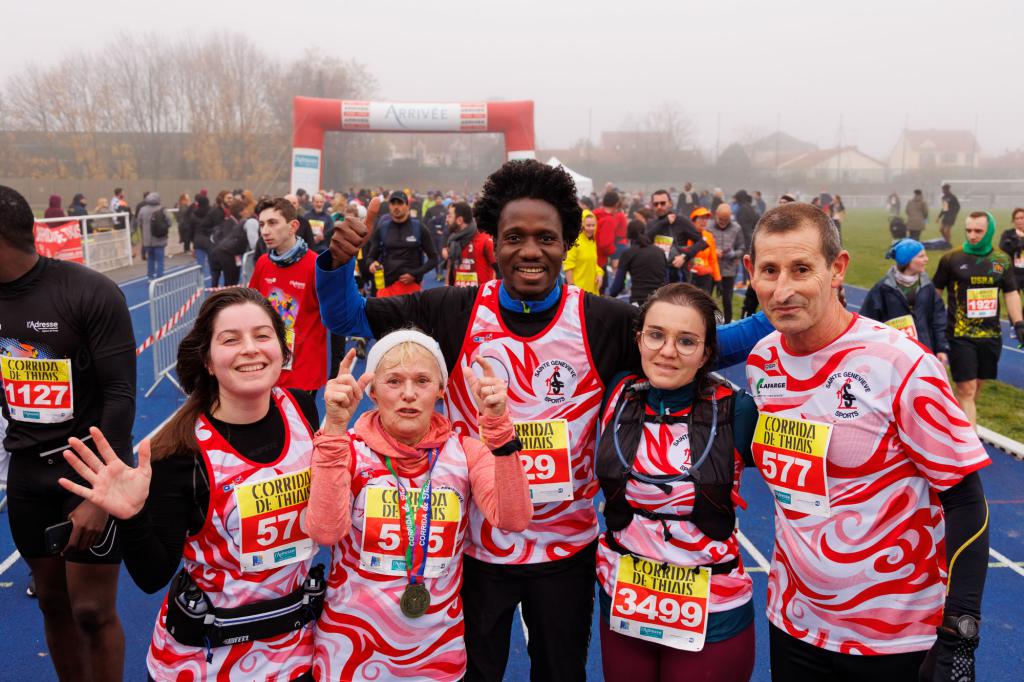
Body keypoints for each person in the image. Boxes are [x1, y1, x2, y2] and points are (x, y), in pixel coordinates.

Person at [314, 159, 774, 681]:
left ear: (567, 243)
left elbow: (711, 345)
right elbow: (347, 317)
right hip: (477, 549)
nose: (530, 251)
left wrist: (782, 300)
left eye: (546, 238)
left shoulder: (603, 320)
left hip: (567, 552)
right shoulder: (455, 310)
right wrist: (334, 263)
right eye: (514, 237)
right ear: (493, 241)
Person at [744, 202, 992, 681]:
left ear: (838, 269)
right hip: (793, 623)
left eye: (801, 269)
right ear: (750, 272)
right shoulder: (762, 362)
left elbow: (966, 501)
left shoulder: (902, 365)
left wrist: (961, 636)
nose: (783, 289)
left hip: (894, 642)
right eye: (769, 271)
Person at [58, 287, 323, 681]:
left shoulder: (301, 408)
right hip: (204, 662)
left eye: (262, 335)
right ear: (209, 361)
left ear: (282, 350)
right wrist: (131, 516)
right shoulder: (178, 452)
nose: (250, 349)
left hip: (296, 653)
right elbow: (151, 577)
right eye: (231, 339)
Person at [306, 332, 532, 681]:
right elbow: (324, 532)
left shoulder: (465, 452)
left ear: (441, 389)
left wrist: (499, 429)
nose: (408, 394)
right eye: (394, 381)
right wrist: (334, 427)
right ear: (373, 391)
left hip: (437, 654)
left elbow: (513, 517)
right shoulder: (345, 449)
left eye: (422, 381)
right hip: (348, 653)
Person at [0, 184, 135, 681]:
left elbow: (120, 396)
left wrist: (102, 493)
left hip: (88, 474)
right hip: (27, 474)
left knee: (92, 613)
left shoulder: (88, 292)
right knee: (53, 604)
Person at [595, 283, 758, 682]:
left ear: (706, 353)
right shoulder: (616, 391)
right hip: (623, 598)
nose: (667, 351)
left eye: (687, 341)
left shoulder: (737, 409)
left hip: (711, 610)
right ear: (639, 339)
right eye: (656, 335)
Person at [933, 211, 1024, 425]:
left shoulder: (1001, 259)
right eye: (968, 230)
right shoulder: (951, 258)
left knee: (975, 389)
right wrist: (932, 324)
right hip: (959, 334)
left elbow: (1011, 293)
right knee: (967, 389)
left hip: (990, 335)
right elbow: (935, 293)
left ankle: (953, 422)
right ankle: (968, 447)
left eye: (978, 231)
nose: (972, 235)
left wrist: (1019, 323)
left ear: (989, 231)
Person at [248, 197, 328, 395]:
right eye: (262, 224)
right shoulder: (263, 263)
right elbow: (251, 308)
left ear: (293, 226)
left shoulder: (316, 265)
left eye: (273, 223)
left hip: (303, 373)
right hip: (268, 367)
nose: (265, 230)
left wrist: (335, 370)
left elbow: (334, 320)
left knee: (301, 426)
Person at [860, 238, 949, 360]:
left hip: (924, 353)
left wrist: (941, 348)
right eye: (921, 256)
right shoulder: (883, 289)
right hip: (894, 355)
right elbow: (868, 322)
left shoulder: (927, 286)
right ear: (907, 261)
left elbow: (938, 318)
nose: (926, 259)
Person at [367, 190, 439, 298]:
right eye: (393, 203)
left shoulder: (419, 228)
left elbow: (434, 259)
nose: (396, 207)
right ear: (389, 206)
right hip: (387, 288)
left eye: (400, 203)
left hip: (411, 288)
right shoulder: (382, 228)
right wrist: (372, 264)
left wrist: (415, 273)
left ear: (407, 206)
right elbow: (370, 258)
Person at [646, 189, 706, 283]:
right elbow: (644, 240)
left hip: (678, 275)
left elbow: (701, 242)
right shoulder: (652, 224)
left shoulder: (681, 221)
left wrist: (684, 256)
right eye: (656, 204)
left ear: (670, 203)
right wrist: (664, 223)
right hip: (657, 275)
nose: (659, 207)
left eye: (662, 203)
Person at [607, 219, 667, 305]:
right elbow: (665, 278)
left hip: (639, 301)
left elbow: (618, 285)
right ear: (644, 231)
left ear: (628, 234)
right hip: (660, 300)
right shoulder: (659, 251)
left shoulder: (628, 253)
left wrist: (608, 297)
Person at [443, 201, 496, 288]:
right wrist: (446, 287)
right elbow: (450, 267)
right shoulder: (453, 240)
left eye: (449, 216)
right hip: (458, 297)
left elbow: (497, 270)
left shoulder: (485, 240)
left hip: (480, 297)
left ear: (459, 220)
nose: (447, 219)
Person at [709, 203, 745, 323]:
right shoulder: (709, 227)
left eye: (726, 219)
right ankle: (708, 322)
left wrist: (734, 254)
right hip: (711, 269)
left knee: (727, 300)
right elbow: (701, 246)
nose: (723, 222)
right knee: (706, 299)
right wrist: (713, 251)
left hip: (729, 270)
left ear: (731, 217)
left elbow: (742, 248)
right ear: (716, 215)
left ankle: (728, 324)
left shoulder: (736, 228)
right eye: (721, 219)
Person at [564, 209, 602, 294]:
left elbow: (593, 263)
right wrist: (572, 289)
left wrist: (599, 274)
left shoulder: (591, 242)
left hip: (592, 291)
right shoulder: (575, 242)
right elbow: (568, 267)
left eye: (593, 225)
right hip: (579, 292)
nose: (591, 228)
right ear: (581, 225)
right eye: (588, 225)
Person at [210, 202, 248, 287]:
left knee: (227, 280)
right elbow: (226, 240)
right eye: (245, 210)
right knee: (229, 281)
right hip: (223, 253)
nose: (247, 211)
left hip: (225, 253)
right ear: (240, 212)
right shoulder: (230, 223)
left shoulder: (235, 222)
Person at [684, 207, 720, 295]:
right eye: (701, 218)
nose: (704, 221)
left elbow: (713, 259)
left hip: (705, 277)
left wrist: (718, 279)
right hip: (690, 276)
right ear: (693, 220)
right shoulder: (685, 236)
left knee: (704, 305)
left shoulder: (709, 236)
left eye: (706, 218)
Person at [137, 191, 170, 280]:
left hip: (147, 240)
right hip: (160, 239)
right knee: (160, 260)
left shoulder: (143, 210)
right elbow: (169, 222)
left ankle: (150, 277)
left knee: (150, 259)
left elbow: (139, 222)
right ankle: (160, 278)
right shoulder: (163, 209)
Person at [998, 207, 1024, 290]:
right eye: (1016, 218)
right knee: (1014, 298)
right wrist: (1017, 241)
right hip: (1013, 272)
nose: (1019, 220)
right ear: (1013, 220)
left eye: (1022, 218)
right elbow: (1002, 250)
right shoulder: (1007, 234)